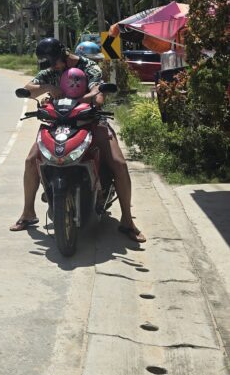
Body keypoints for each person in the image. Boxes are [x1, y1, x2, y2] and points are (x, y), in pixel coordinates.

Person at [10, 36, 145, 243]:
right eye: (47, 64)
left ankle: (127, 220)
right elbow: (30, 87)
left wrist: (80, 99)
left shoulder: (89, 67)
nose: (52, 67)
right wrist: (48, 88)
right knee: (31, 161)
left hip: (90, 121)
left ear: (63, 55)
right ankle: (28, 212)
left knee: (119, 163)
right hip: (58, 124)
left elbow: (97, 94)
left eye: (53, 62)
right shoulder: (51, 71)